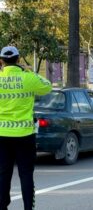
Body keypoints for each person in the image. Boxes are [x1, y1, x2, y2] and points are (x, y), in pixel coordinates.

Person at [0, 46, 52, 210]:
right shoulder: (27, 77)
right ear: (18, 59)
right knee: (26, 173)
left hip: (2, 135)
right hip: (25, 135)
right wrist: (29, 71)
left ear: (1, 61)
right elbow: (47, 86)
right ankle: (28, 207)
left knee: (3, 173)